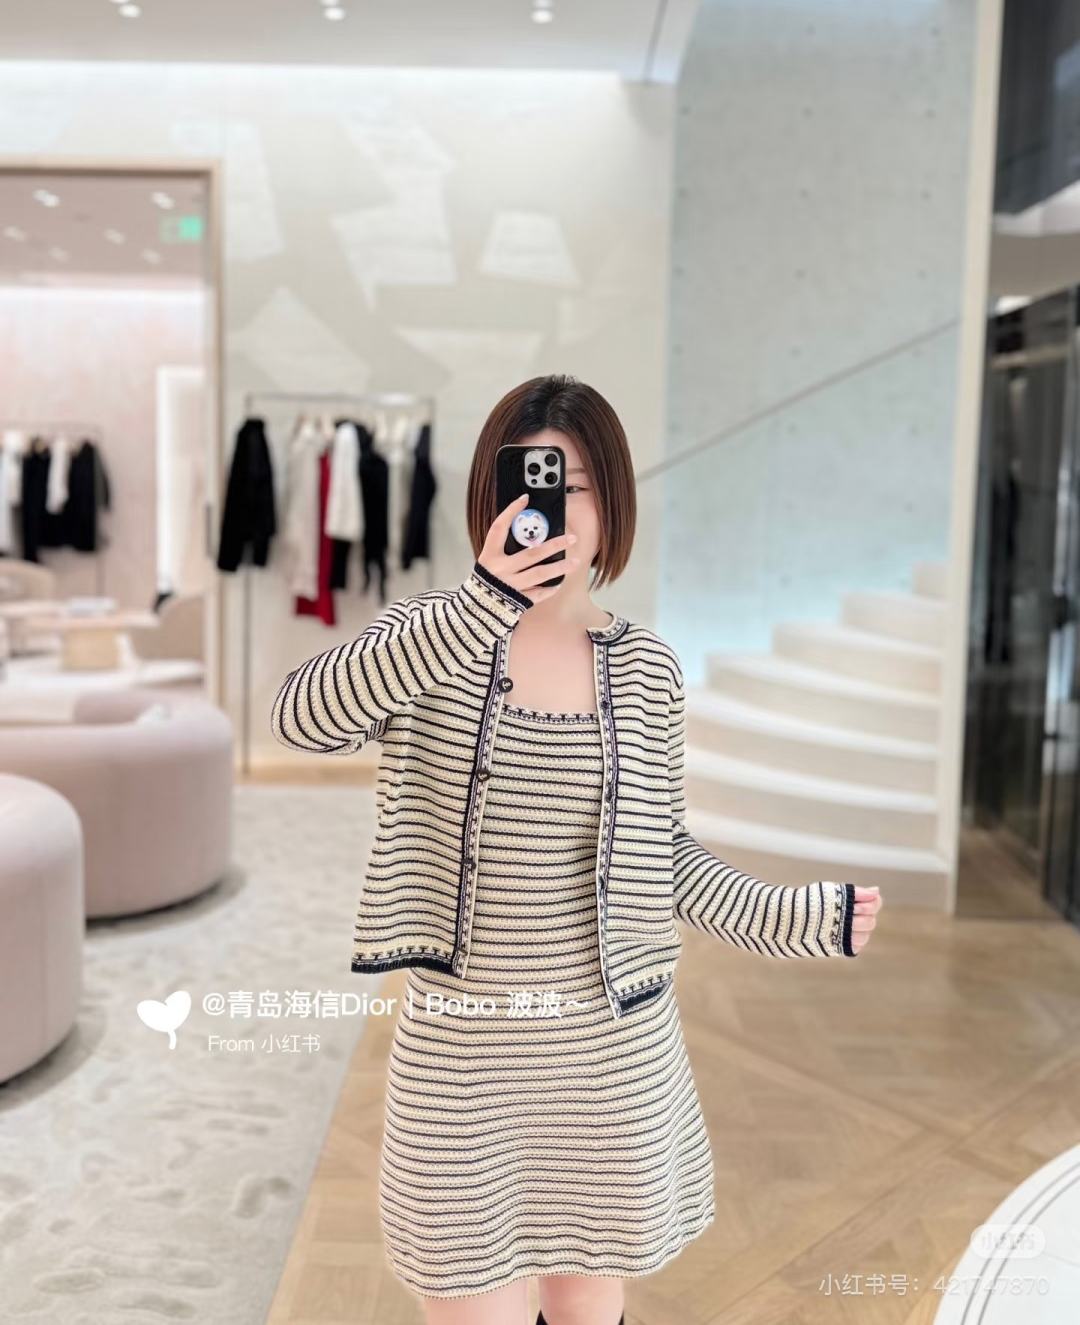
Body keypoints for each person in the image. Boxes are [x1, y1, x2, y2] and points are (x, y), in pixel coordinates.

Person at [271, 375, 883, 1325]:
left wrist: (795, 917)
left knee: (591, 1304)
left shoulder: (648, 669)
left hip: (609, 1062)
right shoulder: (426, 638)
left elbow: (662, 854)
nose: (552, 507)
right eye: (528, 481)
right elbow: (302, 719)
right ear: (491, 497)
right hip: (461, 1063)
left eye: (579, 485)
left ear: (614, 506)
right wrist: (479, 606)